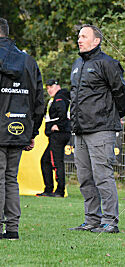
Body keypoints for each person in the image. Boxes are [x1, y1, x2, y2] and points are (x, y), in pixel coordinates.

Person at [68, 24, 125, 234]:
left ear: (97, 41)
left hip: (101, 129)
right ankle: (91, 220)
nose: (79, 40)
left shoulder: (108, 63)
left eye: (84, 36)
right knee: (85, 177)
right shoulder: (77, 64)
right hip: (80, 131)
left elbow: (122, 94)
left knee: (102, 176)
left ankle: (110, 221)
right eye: (79, 36)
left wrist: (113, 116)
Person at [0, 18, 45, 240]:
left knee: (2, 178)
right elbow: (39, 101)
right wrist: (31, 132)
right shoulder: (29, 61)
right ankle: (12, 228)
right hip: (18, 130)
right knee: (10, 178)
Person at [36, 79, 71, 198]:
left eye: (51, 87)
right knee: (46, 160)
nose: (49, 90)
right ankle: (49, 189)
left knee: (56, 162)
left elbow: (62, 112)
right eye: (47, 88)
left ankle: (59, 191)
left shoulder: (59, 98)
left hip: (58, 135)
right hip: (59, 134)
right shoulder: (58, 98)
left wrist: (58, 126)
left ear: (58, 86)